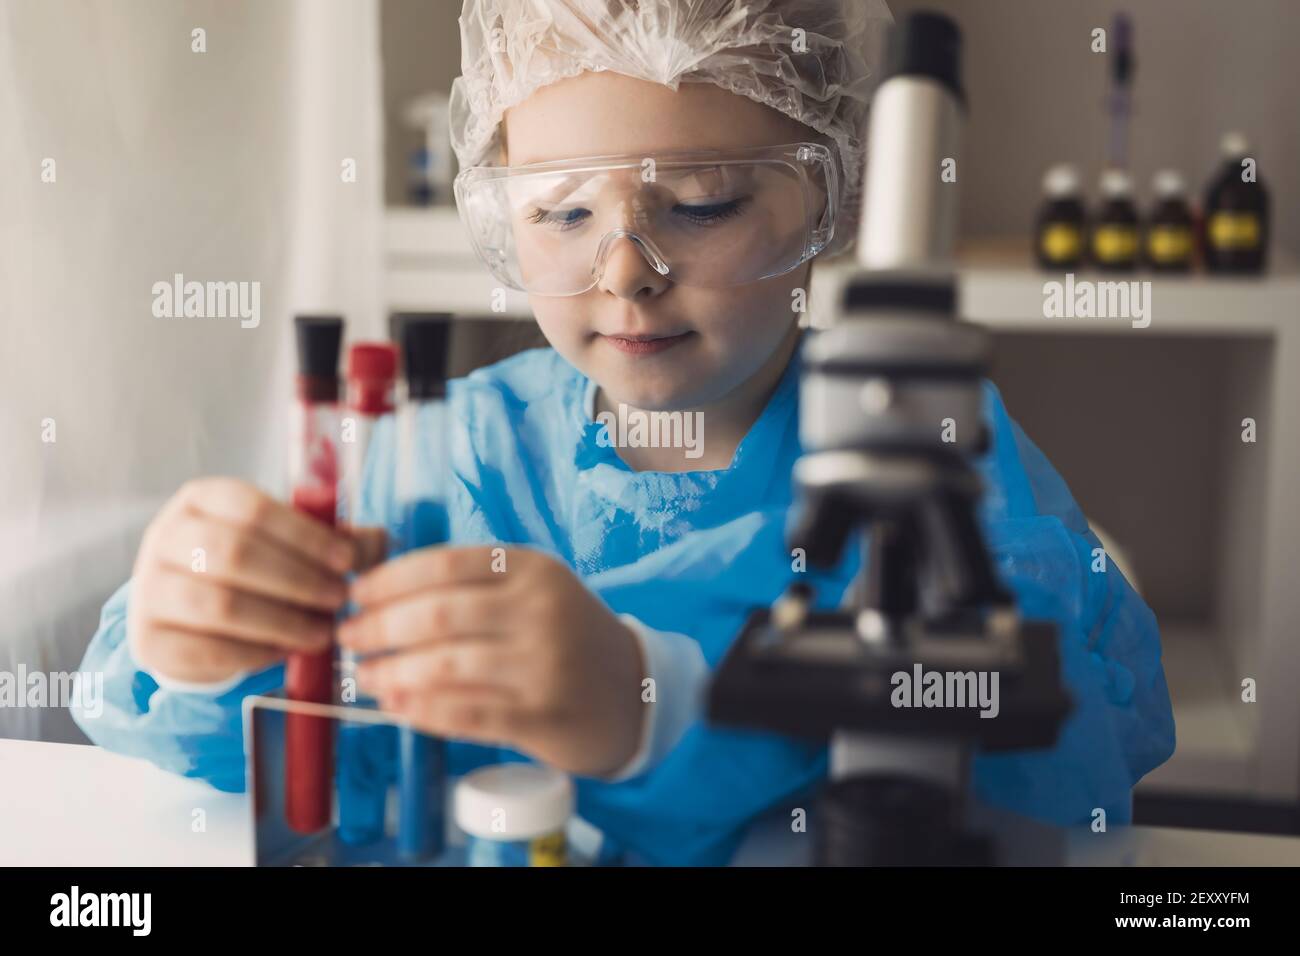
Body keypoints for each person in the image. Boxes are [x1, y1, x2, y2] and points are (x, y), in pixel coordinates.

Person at [73, 0, 1174, 866]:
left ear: (828, 199)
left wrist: (651, 704)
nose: (624, 272)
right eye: (561, 212)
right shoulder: (459, 451)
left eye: (698, 202)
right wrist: (197, 644)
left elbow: (1062, 790)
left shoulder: (923, 449)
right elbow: (299, 750)